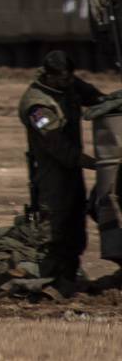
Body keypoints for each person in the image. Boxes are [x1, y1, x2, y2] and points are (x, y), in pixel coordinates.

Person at [19, 49, 105, 295]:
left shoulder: (68, 85)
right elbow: (57, 146)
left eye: (70, 78)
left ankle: (70, 276)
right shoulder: (37, 105)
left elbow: (94, 97)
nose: (69, 83)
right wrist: (94, 162)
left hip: (72, 169)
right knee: (55, 227)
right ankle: (49, 281)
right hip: (51, 172)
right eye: (63, 79)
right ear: (49, 76)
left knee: (76, 223)